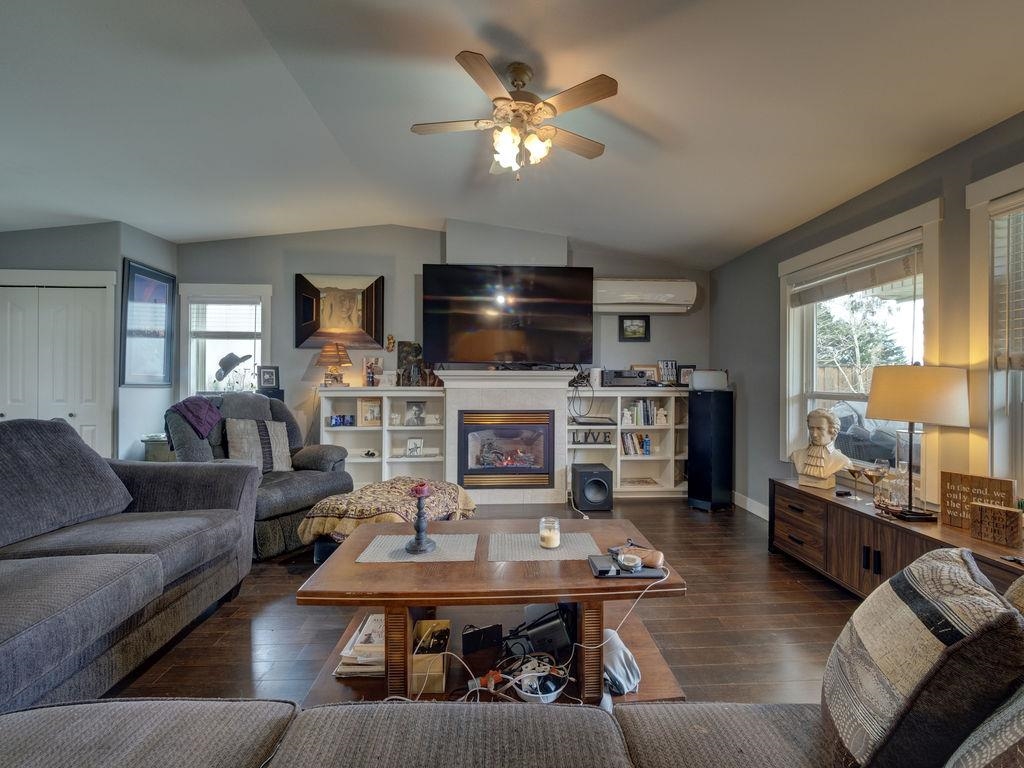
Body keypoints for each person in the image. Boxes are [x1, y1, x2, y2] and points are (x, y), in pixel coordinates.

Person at [789, 408, 852, 489]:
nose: (814, 434)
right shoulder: (797, 455)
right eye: (811, 428)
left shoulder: (843, 461)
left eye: (820, 429)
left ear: (833, 431)